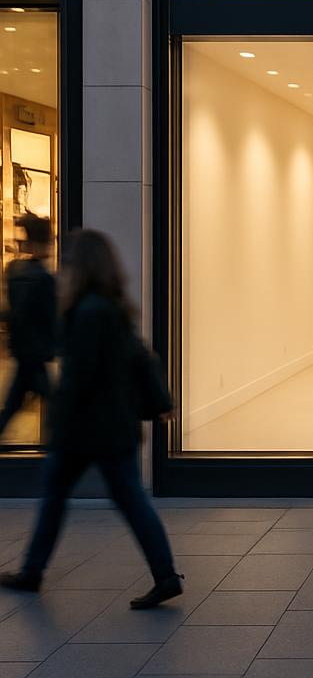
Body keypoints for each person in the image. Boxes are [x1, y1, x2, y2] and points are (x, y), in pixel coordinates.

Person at [0, 229, 183, 609]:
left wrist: (57, 422)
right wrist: (159, 401)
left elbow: (79, 377)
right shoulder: (111, 306)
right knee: (126, 500)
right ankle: (164, 576)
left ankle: (33, 572)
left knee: (58, 495)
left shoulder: (88, 311)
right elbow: (142, 358)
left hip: (88, 429)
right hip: (114, 427)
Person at [0, 214, 58, 440]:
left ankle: (57, 451)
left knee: (14, 405)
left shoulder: (17, 272)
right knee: (55, 405)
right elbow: (40, 317)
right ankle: (59, 452)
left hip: (27, 352)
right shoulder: (41, 278)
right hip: (34, 353)